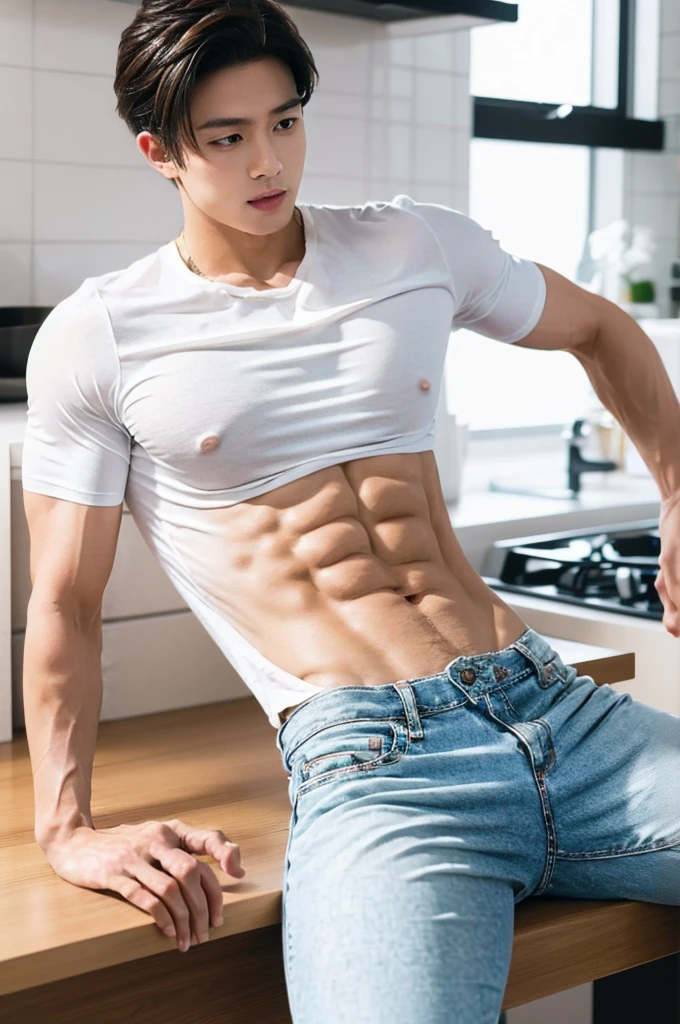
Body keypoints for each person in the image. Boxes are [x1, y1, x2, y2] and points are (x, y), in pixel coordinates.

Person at [21, 0, 680, 1020]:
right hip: (377, 768)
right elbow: (63, 602)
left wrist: (676, 488)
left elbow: (598, 327)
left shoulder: (409, 245)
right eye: (226, 137)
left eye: (283, 122)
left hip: (555, 707)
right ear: (158, 152)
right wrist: (66, 828)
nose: (266, 162)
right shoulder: (99, 337)